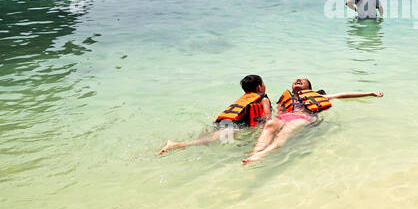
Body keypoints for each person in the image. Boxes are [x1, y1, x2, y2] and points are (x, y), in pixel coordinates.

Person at [243, 78, 383, 164]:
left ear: (309, 88)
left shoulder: (316, 96)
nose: (298, 80)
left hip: (304, 117)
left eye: (302, 81)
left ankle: (263, 154)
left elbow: (343, 95)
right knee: (269, 124)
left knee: (286, 131)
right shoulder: (286, 99)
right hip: (286, 116)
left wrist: (370, 93)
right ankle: (256, 152)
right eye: (296, 80)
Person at [158, 74, 270, 154]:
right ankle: (175, 145)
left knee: (206, 138)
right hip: (233, 126)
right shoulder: (263, 99)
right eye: (263, 84)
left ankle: (176, 143)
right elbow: (267, 118)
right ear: (259, 87)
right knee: (209, 141)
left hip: (223, 121)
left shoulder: (245, 98)